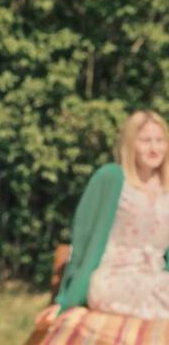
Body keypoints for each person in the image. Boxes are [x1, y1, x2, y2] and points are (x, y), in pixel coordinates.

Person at [35, 110, 169, 335]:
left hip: (156, 277)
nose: (154, 148)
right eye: (146, 141)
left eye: (160, 140)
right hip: (114, 279)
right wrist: (65, 298)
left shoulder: (167, 187)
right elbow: (84, 240)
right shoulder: (112, 178)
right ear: (130, 144)